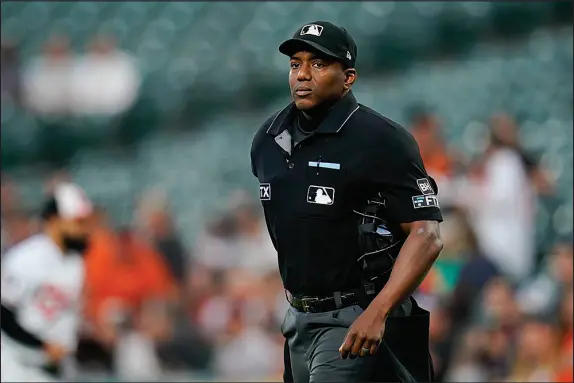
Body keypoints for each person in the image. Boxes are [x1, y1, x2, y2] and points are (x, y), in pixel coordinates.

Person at [250, 21, 444, 383]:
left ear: (348, 76)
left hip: (356, 314)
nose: (303, 74)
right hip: (297, 319)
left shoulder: (381, 140)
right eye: (296, 64)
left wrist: (378, 311)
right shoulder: (268, 138)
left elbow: (426, 234)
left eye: (319, 64)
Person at [1, 183, 94, 382]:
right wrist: (41, 345)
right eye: (77, 222)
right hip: (16, 366)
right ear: (54, 221)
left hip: (55, 368)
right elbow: (2, 313)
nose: (85, 229)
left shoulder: (76, 264)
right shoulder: (26, 258)